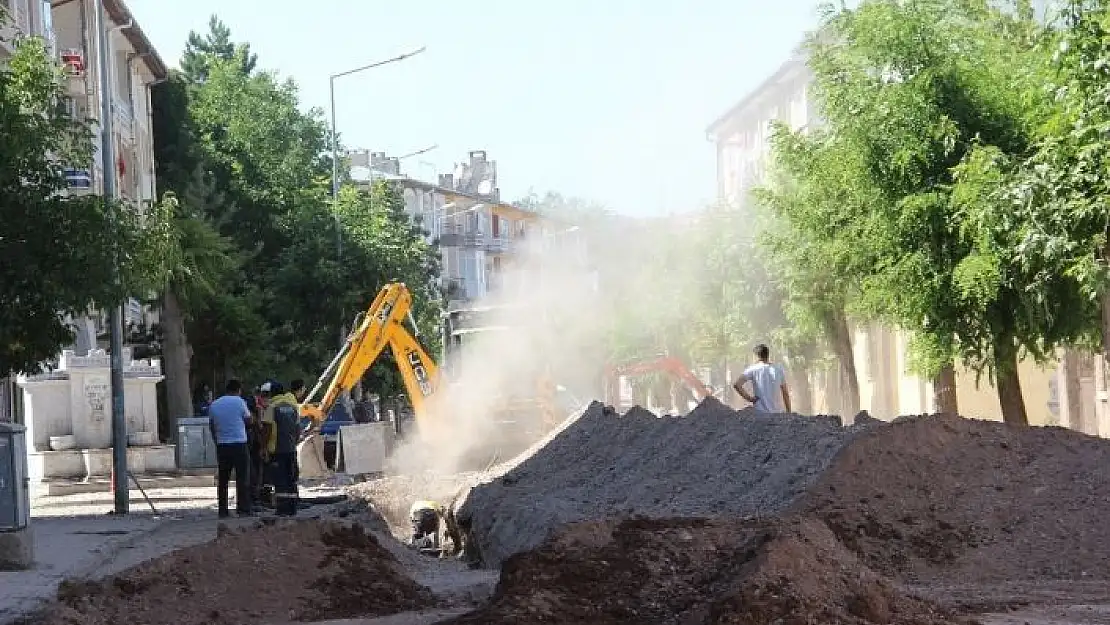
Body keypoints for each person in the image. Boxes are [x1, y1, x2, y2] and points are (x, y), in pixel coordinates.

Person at [208, 379, 254, 517]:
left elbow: (212, 426)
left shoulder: (214, 404)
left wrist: (217, 441)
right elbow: (249, 420)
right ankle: (243, 509)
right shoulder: (239, 402)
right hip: (239, 444)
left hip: (222, 445)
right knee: (242, 478)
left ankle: (223, 510)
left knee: (223, 479)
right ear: (238, 390)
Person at [263, 379, 305, 516]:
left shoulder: (272, 407)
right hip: (291, 449)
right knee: (291, 478)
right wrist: (295, 442)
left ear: (272, 393)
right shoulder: (293, 407)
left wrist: (263, 448)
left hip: (276, 450)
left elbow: (267, 429)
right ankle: (292, 508)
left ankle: (282, 509)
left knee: (280, 480)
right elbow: (298, 428)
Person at [733, 344, 791, 414]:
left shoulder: (753, 369)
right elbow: (785, 393)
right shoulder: (779, 369)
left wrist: (750, 399)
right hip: (777, 413)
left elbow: (737, 385)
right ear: (767, 355)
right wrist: (789, 412)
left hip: (760, 413)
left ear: (757, 356)